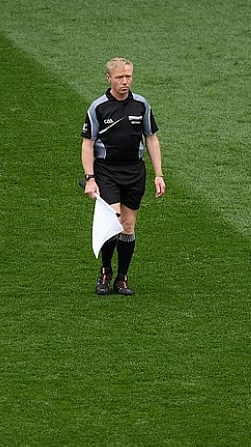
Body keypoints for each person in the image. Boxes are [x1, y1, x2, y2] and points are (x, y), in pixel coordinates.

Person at [81, 57, 165, 296]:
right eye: (120, 77)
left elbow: (151, 138)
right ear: (109, 78)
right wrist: (90, 178)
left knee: (128, 226)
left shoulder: (141, 105)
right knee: (113, 224)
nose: (125, 81)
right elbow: (87, 144)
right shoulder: (98, 107)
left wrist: (159, 174)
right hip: (106, 172)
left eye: (128, 76)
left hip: (134, 171)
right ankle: (106, 272)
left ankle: (122, 278)